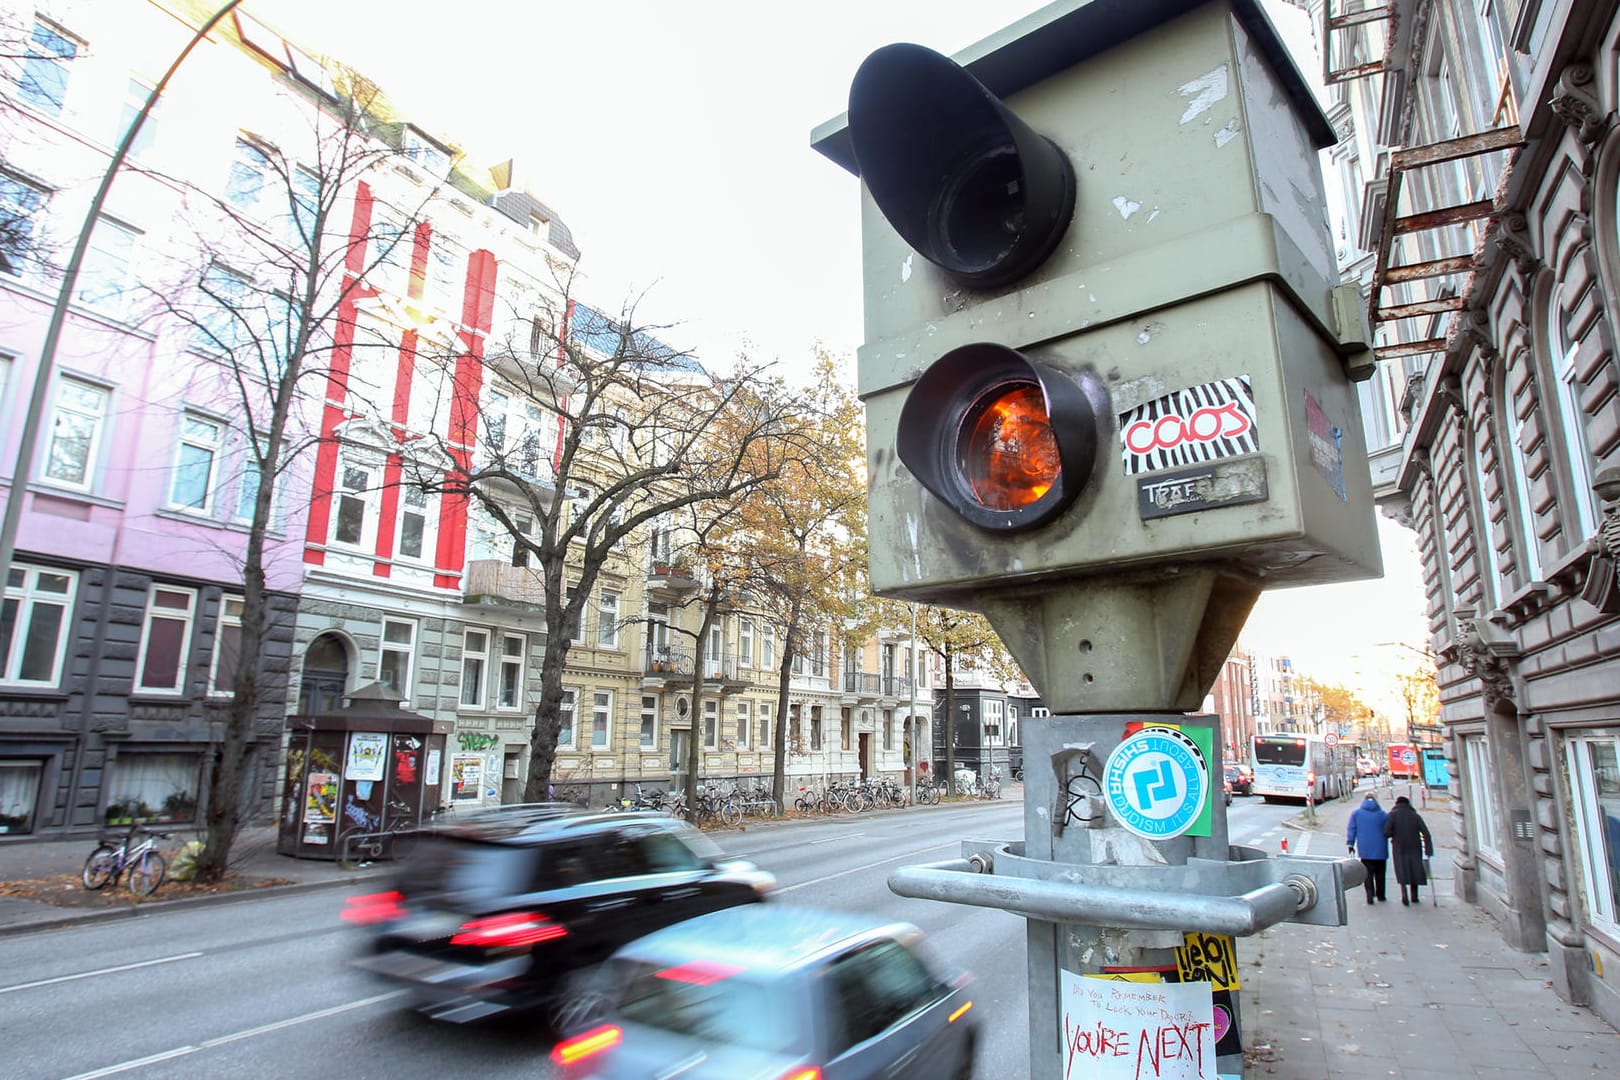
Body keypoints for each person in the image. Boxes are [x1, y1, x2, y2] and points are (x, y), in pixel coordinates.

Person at [1384, 795, 1435, 905]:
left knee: (1402, 868)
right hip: (1414, 845)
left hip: (1399, 846)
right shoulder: (1415, 815)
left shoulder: (1392, 815)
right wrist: (1428, 850)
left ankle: (1404, 895)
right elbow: (1426, 833)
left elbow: (1386, 832)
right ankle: (1414, 896)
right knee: (1414, 868)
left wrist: (1393, 834)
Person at [1346, 793, 1390, 904]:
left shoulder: (1356, 814)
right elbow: (1388, 830)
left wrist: (1350, 843)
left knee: (1367, 873)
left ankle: (1369, 895)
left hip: (1365, 850)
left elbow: (1352, 829)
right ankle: (1381, 895)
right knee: (1380, 873)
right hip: (1381, 849)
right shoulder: (1382, 814)